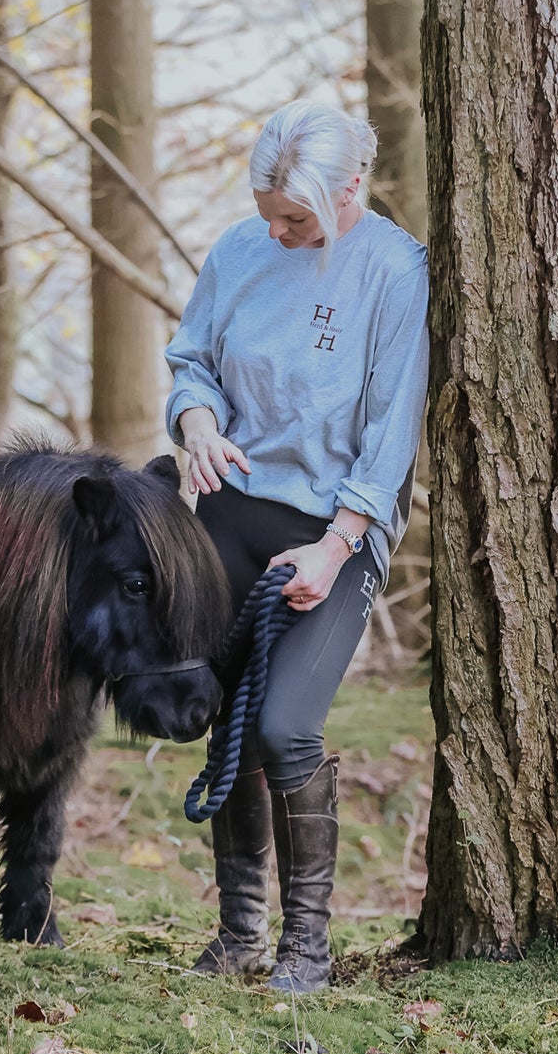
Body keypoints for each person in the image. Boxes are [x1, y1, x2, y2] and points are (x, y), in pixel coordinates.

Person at [164, 100, 428, 992]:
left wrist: (336, 545)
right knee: (221, 714)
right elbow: (191, 360)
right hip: (230, 510)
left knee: (282, 727)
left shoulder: (395, 271)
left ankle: (306, 945)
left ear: (350, 189)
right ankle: (237, 933)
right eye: (266, 210)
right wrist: (194, 425)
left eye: (296, 219)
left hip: (331, 529)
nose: (274, 232)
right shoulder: (241, 249)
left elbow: (392, 430)